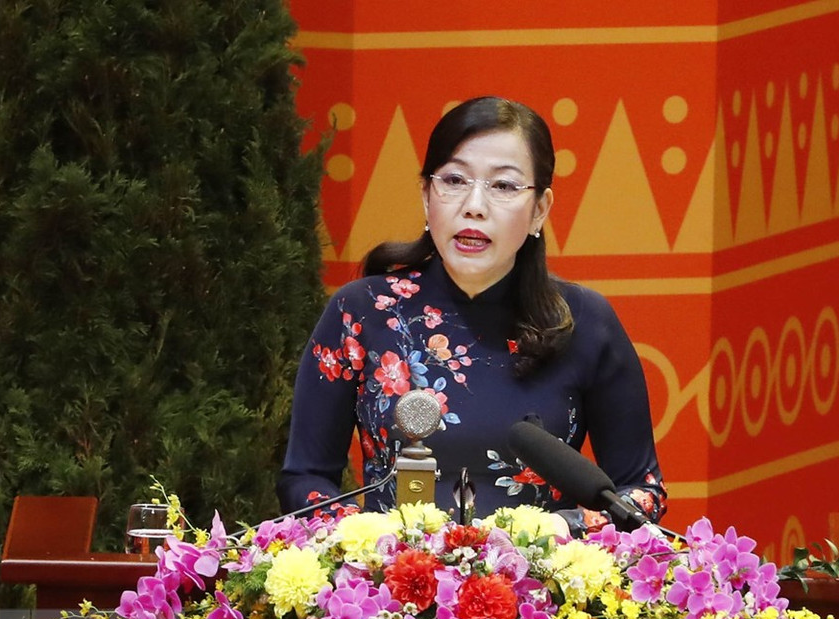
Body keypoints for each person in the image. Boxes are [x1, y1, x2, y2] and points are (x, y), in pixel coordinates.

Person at [277, 96, 666, 532]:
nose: (474, 205)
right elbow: (305, 478)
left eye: (503, 186)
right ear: (427, 196)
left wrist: (563, 531)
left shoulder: (584, 323)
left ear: (540, 209)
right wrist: (367, 541)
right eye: (455, 180)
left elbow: (641, 492)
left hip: (539, 589)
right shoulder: (362, 312)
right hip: (394, 588)